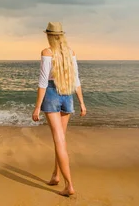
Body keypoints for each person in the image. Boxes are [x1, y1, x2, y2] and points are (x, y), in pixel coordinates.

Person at [32, 21, 87, 196]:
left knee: (59, 141)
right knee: (61, 139)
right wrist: (82, 103)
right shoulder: (70, 52)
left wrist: (37, 107)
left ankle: (69, 185)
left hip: (52, 95)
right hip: (68, 95)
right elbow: (76, 79)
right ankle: (56, 175)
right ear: (62, 35)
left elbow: (42, 82)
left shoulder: (47, 52)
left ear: (49, 35)